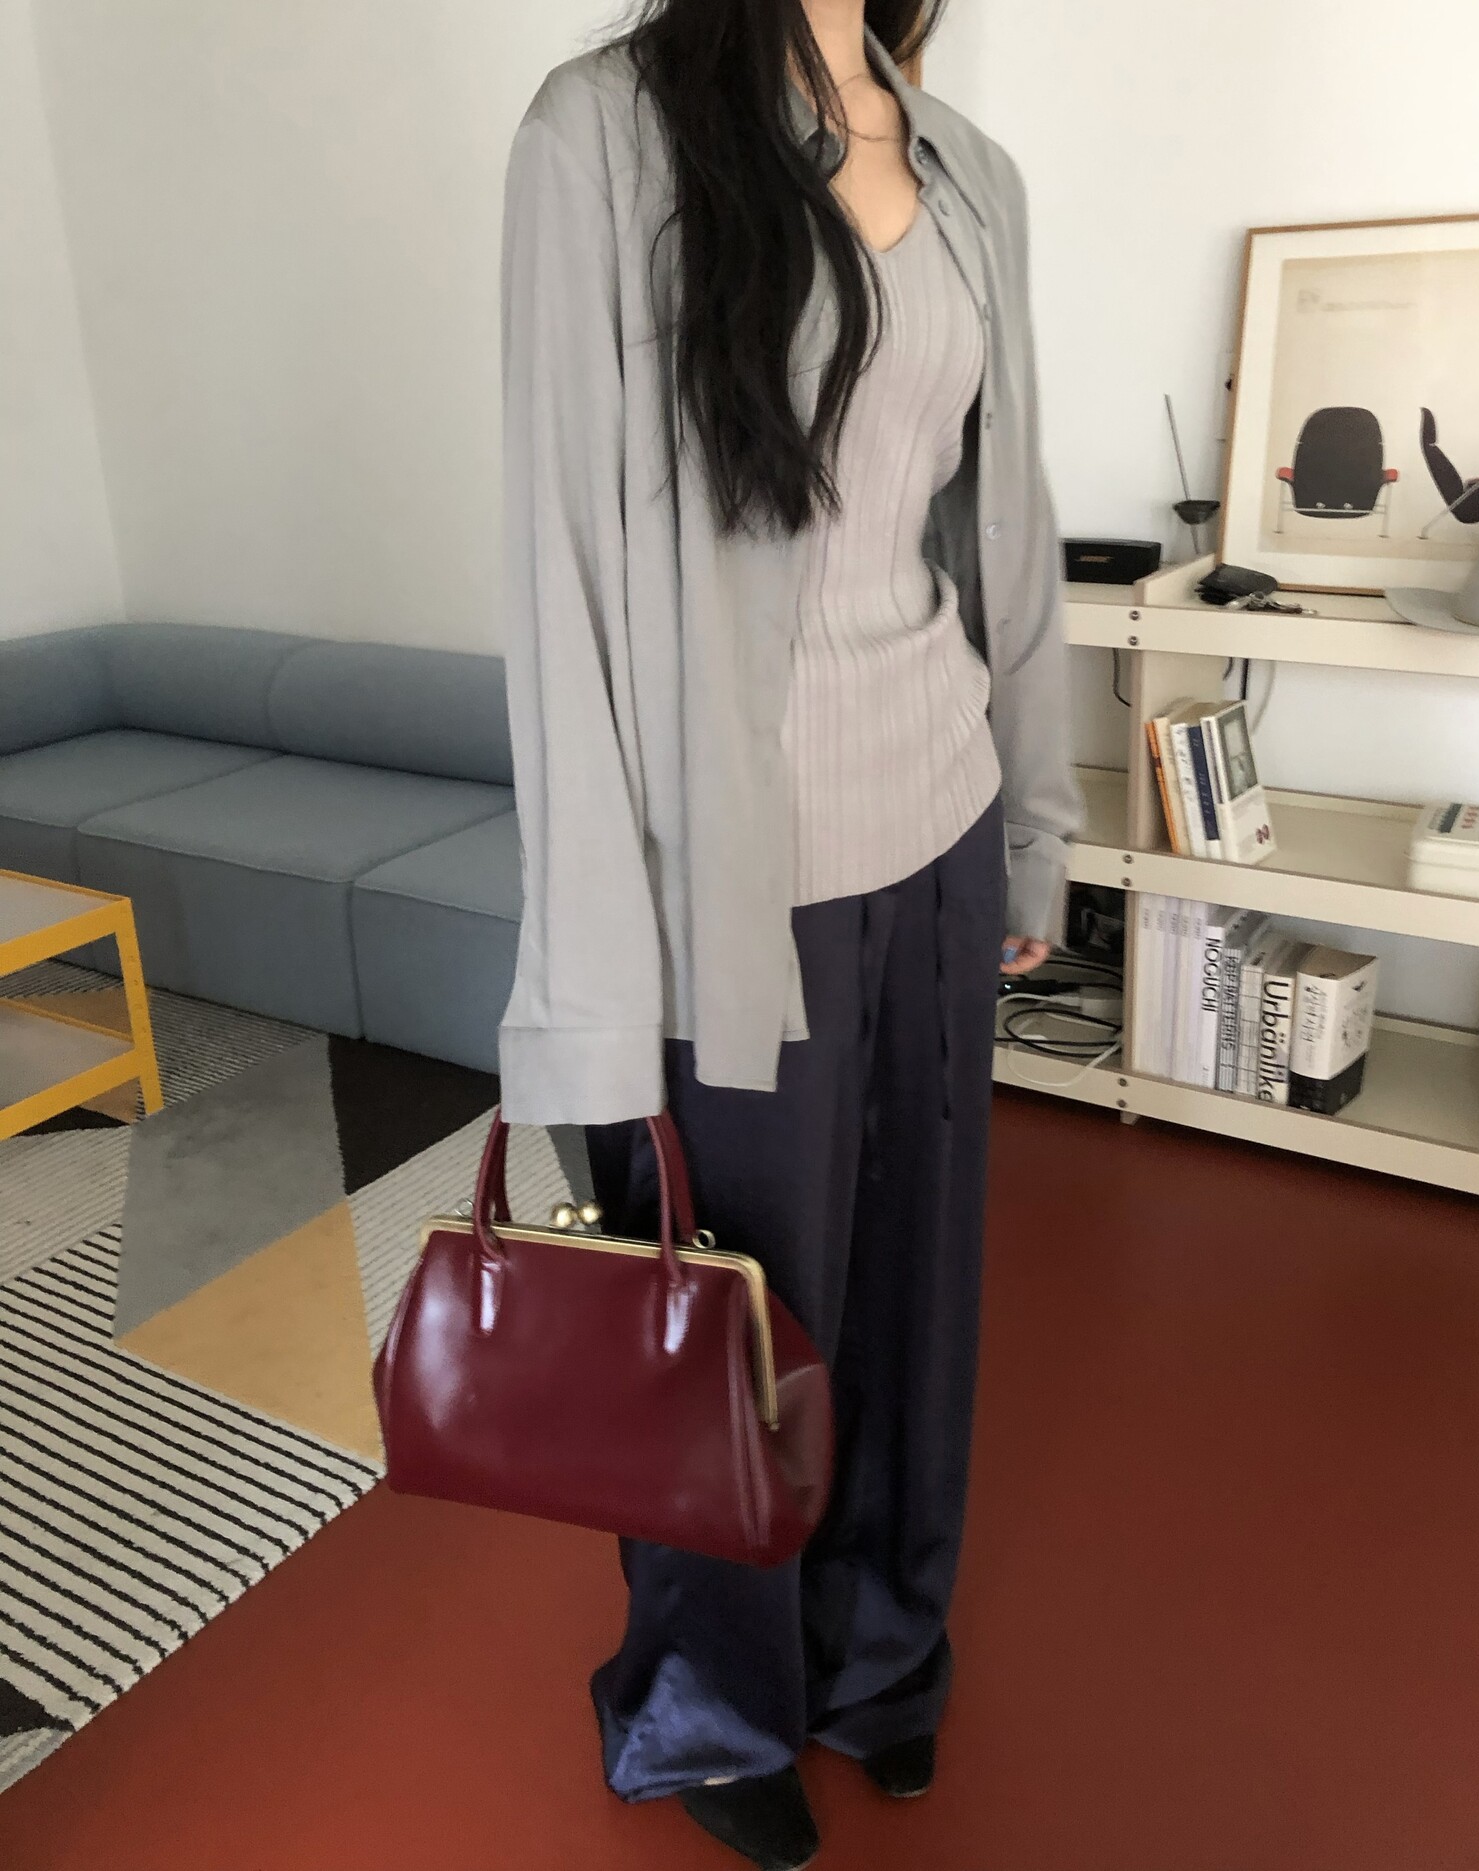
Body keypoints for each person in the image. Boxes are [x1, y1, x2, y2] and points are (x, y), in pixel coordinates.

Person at [497, 1, 1081, 1864]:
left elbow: (1008, 530)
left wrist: (1033, 831)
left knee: (915, 1304)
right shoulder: (604, 136)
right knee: (728, 1338)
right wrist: (594, 985)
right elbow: (561, 576)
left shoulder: (972, 173)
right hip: (728, 891)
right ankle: (712, 1707)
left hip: (940, 824)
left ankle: (883, 1661)